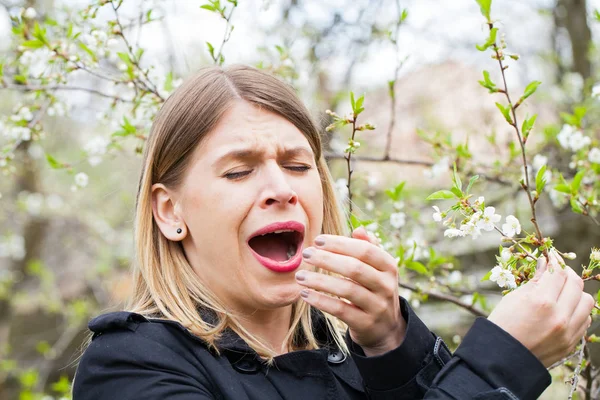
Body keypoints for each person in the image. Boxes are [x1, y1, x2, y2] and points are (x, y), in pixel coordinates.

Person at [72, 65, 594, 400]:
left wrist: (393, 343)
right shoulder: (132, 368)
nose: (281, 188)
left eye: (299, 165)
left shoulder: (351, 354)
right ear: (169, 211)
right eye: (238, 171)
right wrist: (500, 366)